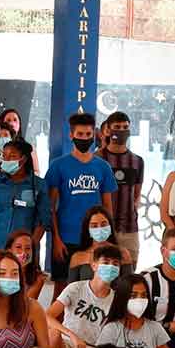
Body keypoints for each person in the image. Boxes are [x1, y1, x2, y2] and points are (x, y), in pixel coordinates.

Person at [46, 112, 117, 295]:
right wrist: (56, 239)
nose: (84, 138)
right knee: (62, 289)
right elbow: (50, 207)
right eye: (80, 134)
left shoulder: (103, 167)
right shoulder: (58, 166)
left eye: (88, 134)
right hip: (66, 238)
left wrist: (107, 238)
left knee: (95, 287)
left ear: (94, 135)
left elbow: (108, 208)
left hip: (94, 238)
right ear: (71, 135)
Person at [47, 244, 120, 348]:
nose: (110, 267)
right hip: (66, 346)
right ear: (94, 265)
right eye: (105, 262)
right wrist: (71, 335)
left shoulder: (117, 299)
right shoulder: (75, 288)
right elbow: (48, 315)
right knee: (53, 333)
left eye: (115, 264)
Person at [0, 139, 48, 254]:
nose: (6, 160)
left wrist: (31, 246)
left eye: (12, 156)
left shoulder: (38, 185)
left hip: (23, 249)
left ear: (23, 159)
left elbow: (42, 220)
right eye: (4, 156)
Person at [96, 111, 144, 264]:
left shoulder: (137, 161)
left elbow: (137, 194)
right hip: (101, 228)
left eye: (125, 127)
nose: (122, 130)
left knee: (129, 272)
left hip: (129, 227)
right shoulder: (96, 159)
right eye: (117, 127)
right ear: (108, 130)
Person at [66, 206, 134, 282]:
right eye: (94, 226)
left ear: (110, 226)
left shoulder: (123, 253)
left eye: (104, 224)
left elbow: (129, 286)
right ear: (88, 230)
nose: (99, 228)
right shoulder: (78, 257)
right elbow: (71, 289)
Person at [5, 229, 46, 300]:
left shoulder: (38, 278)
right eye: (18, 247)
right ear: (9, 250)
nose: (23, 252)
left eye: (28, 248)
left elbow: (26, 305)